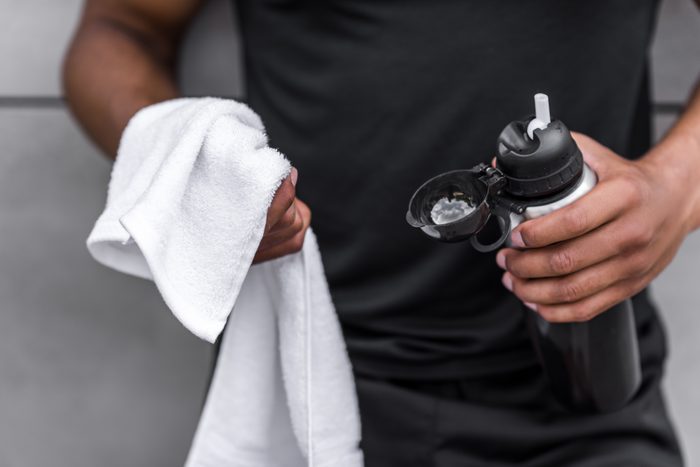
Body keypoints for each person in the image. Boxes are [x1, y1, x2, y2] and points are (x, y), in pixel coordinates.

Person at [64, 0, 700, 465]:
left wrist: (674, 188)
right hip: (313, 388)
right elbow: (118, 27)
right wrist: (186, 169)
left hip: (590, 383)